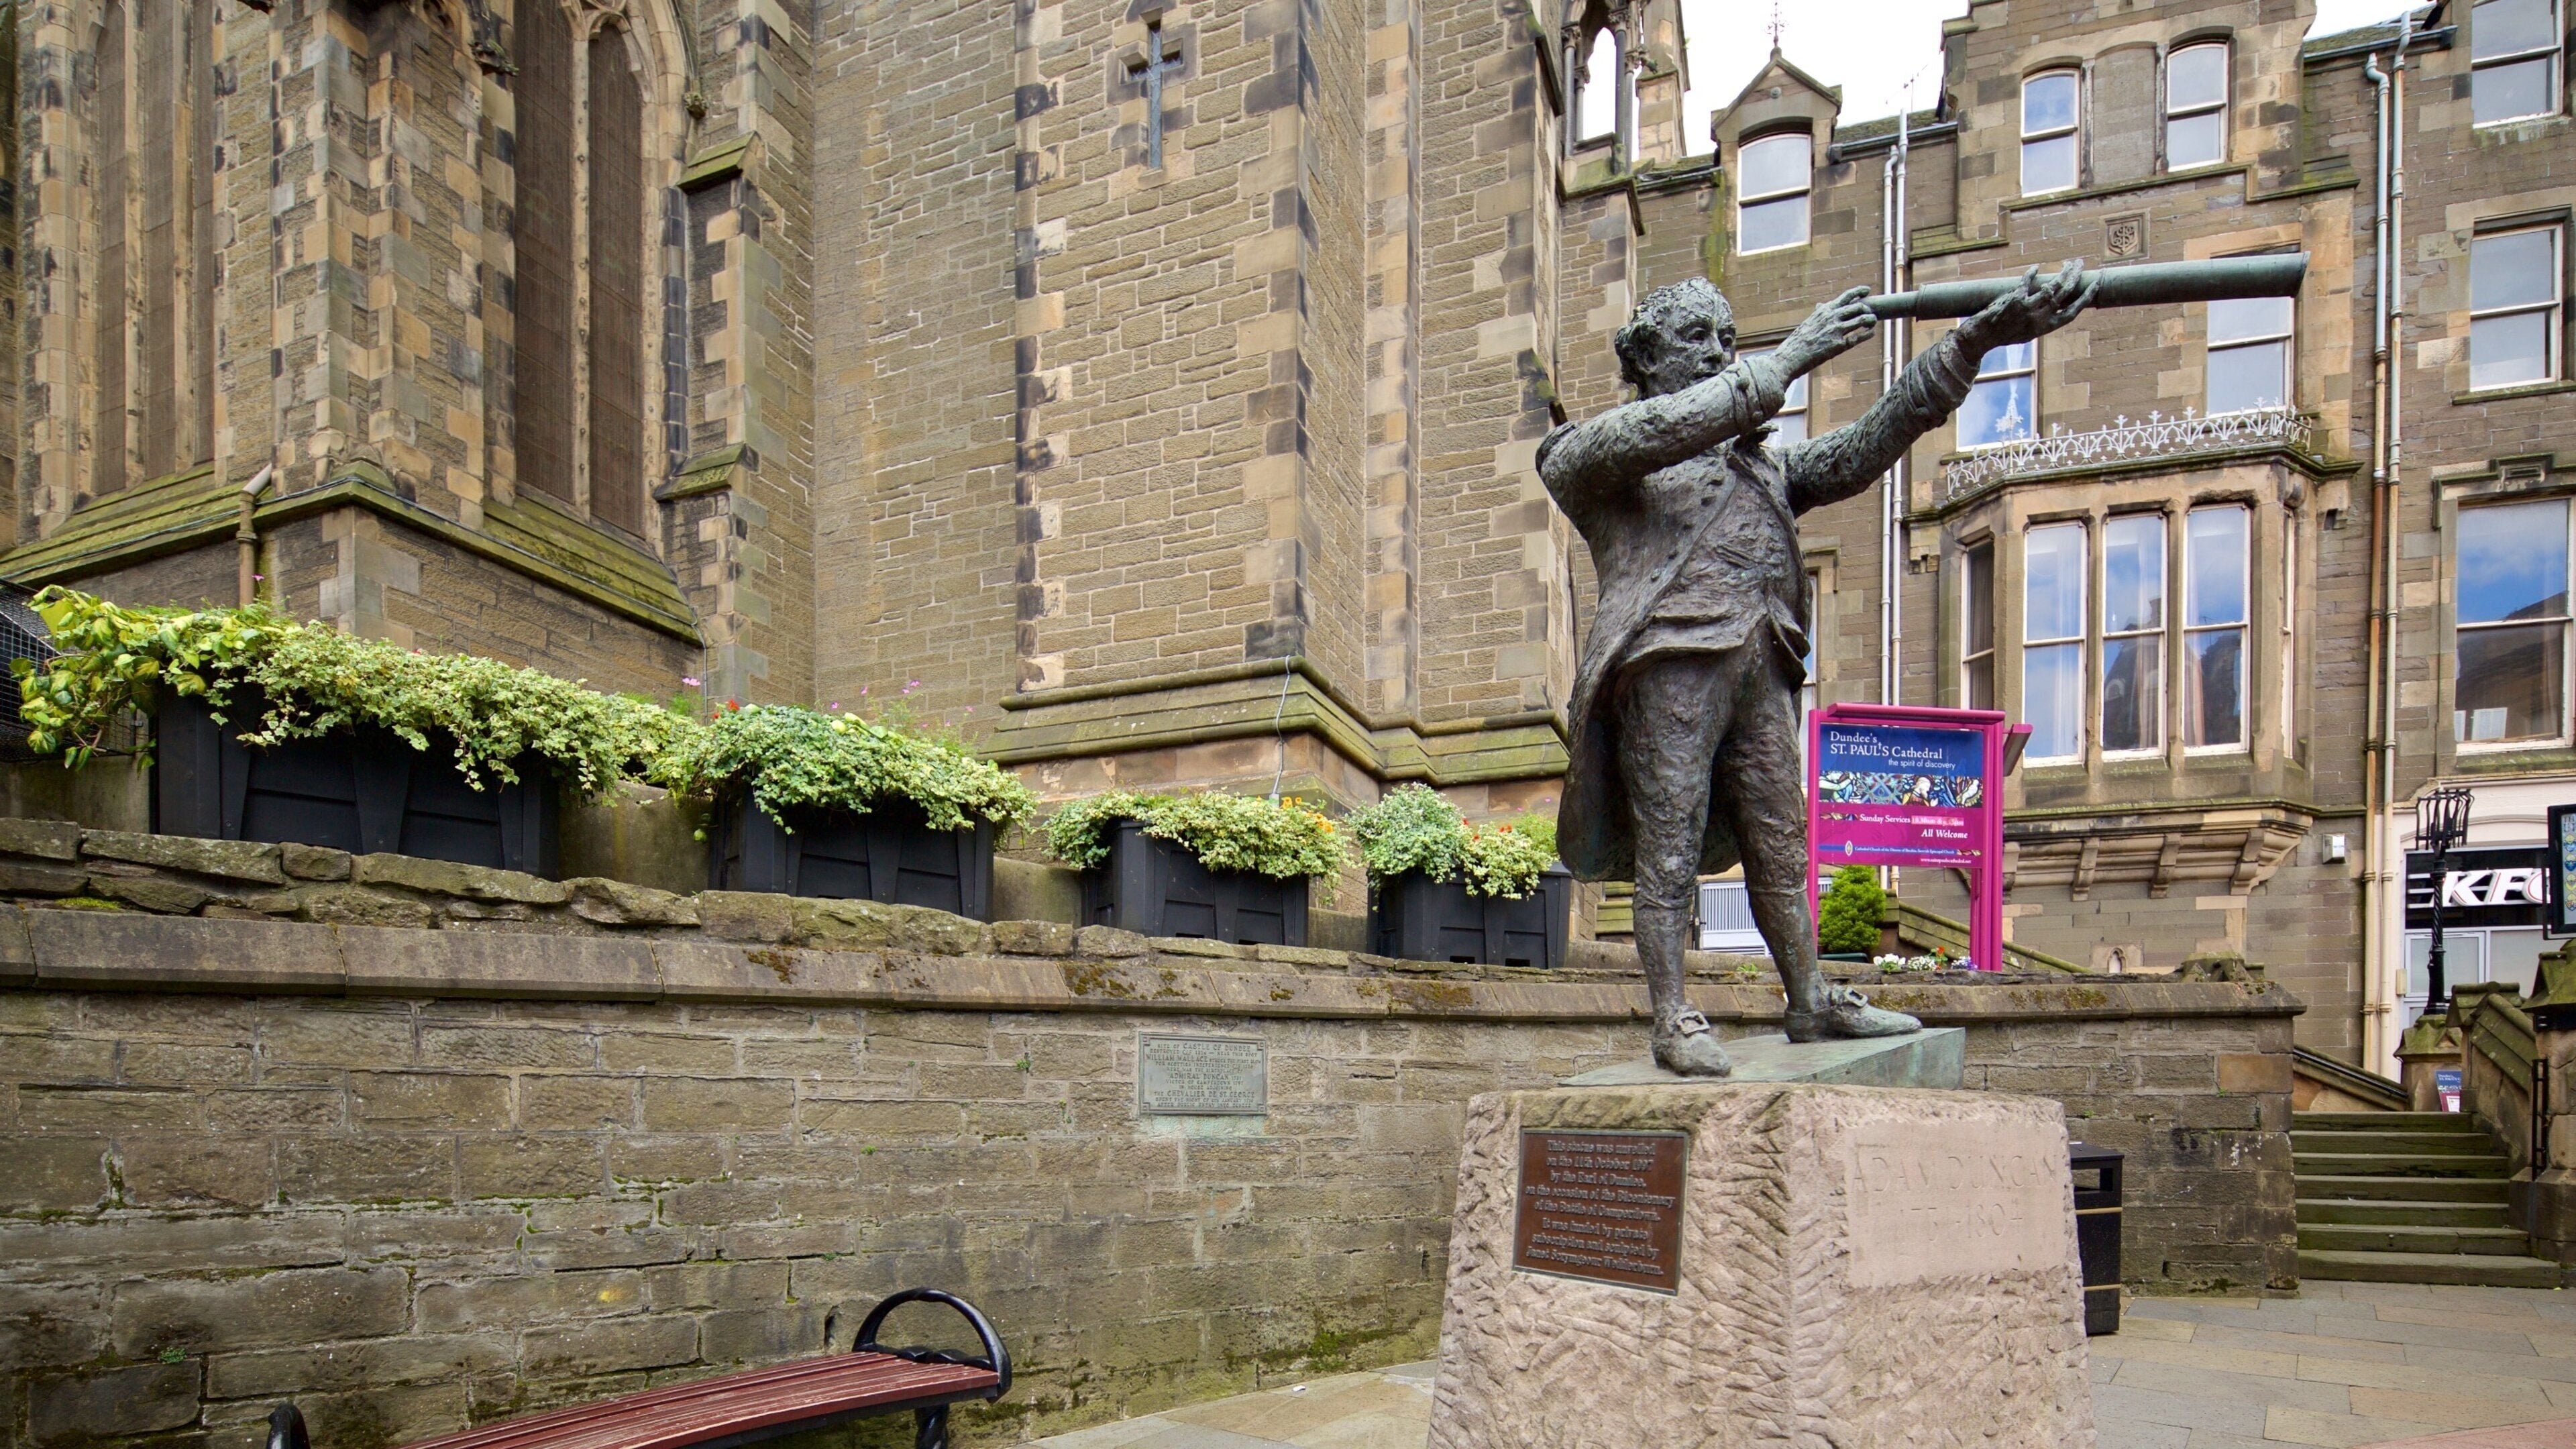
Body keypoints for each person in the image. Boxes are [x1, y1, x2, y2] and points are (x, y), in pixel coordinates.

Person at [1541, 262, 2098, 1075]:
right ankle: (1672, 1015)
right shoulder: (1594, 458)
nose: (1718, 354)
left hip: (1760, 663)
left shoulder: (1760, 468)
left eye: (1728, 340)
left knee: (1782, 844)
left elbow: (1862, 449)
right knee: (1669, 847)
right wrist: (1794, 355)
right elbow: (1669, 427)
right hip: (1668, 669)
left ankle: (1808, 999)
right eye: (1695, 339)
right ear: (1646, 359)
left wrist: (1969, 345)